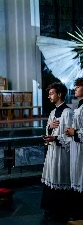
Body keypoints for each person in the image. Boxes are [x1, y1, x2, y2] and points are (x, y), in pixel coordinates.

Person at [41, 82, 73, 221]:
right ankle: (51, 207)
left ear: (59, 94)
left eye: (51, 93)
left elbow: (71, 134)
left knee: (60, 176)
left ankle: (61, 209)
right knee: (52, 176)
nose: (49, 96)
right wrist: (49, 128)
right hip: (52, 151)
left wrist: (56, 138)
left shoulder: (68, 112)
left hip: (63, 152)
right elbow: (48, 130)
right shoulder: (53, 112)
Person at [65, 78, 83, 220]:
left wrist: (75, 132)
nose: (75, 88)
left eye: (78, 86)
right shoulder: (79, 106)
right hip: (77, 146)